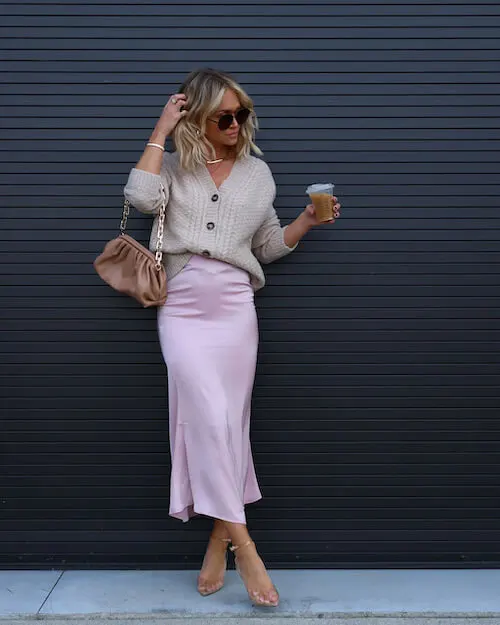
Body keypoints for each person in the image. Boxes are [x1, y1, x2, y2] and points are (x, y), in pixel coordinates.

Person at [123, 68, 341, 608]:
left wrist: (304, 224)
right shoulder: (173, 165)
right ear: (197, 117)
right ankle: (245, 545)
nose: (236, 124)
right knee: (204, 412)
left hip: (236, 307)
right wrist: (160, 130)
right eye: (224, 115)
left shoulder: (258, 175)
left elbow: (265, 245)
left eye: (241, 114)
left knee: (230, 421)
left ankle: (217, 541)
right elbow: (139, 196)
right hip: (184, 302)